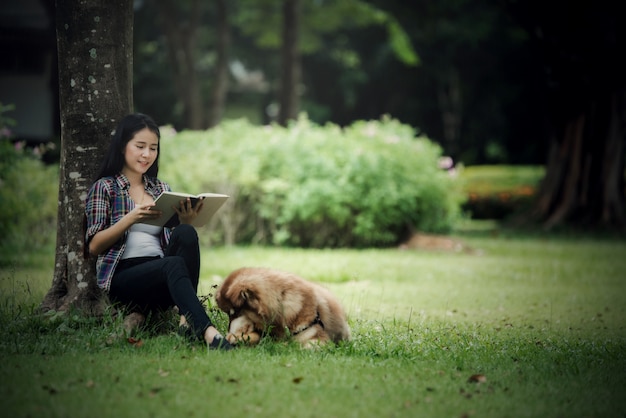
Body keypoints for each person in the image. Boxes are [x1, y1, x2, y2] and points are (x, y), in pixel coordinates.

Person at [84, 113, 233, 350]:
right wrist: (131, 218)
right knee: (171, 264)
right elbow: (94, 246)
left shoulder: (161, 188)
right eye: (140, 146)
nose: (147, 155)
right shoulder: (106, 187)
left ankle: (186, 320)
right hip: (124, 279)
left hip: (163, 273)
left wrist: (185, 220)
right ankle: (209, 334)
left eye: (153, 148)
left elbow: (177, 245)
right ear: (123, 146)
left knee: (186, 233)